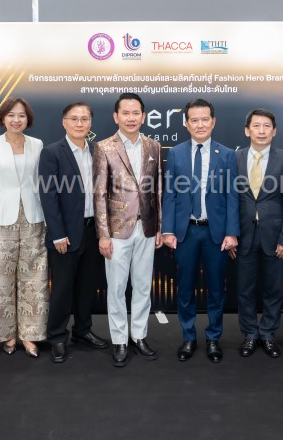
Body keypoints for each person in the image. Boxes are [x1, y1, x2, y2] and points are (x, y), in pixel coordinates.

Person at [162, 98, 239, 363]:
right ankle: (188, 337)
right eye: (194, 120)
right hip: (186, 232)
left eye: (205, 119)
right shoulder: (176, 153)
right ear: (186, 124)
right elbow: (169, 194)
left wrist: (232, 232)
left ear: (213, 122)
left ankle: (213, 338)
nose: (200, 124)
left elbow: (232, 196)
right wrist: (168, 230)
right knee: (185, 288)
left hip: (215, 234)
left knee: (216, 289)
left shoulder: (226, 154)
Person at [93, 93, 163, 367]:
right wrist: (103, 234)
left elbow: (158, 190)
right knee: (117, 288)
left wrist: (159, 227)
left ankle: (139, 336)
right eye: (126, 113)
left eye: (136, 113)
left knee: (143, 285)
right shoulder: (104, 147)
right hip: (117, 230)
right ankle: (120, 340)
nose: (131, 118)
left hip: (146, 228)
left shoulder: (154, 146)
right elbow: (99, 194)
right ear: (116, 117)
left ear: (143, 116)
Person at [39, 102, 108, 364]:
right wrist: (57, 234)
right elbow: (48, 196)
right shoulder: (51, 153)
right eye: (74, 118)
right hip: (65, 234)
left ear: (91, 123)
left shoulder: (97, 151)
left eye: (85, 119)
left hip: (93, 230)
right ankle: (57, 336)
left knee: (87, 286)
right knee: (62, 288)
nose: (80, 123)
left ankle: (83, 331)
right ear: (64, 122)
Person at [0, 97, 48, 358]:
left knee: (34, 279)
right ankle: (7, 334)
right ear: (3, 118)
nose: (16, 120)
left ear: (28, 119)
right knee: (0, 279)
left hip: (33, 218)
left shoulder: (37, 144)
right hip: (1, 219)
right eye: (11, 115)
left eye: (21, 115)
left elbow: (40, 183)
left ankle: (30, 335)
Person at [230, 108, 283, 359]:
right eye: (256, 126)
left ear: (274, 131)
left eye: (266, 126)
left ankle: (268, 334)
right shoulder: (234, 158)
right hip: (243, 235)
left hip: (275, 237)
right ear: (247, 130)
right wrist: (231, 234)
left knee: (273, 289)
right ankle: (250, 333)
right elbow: (228, 200)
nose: (261, 131)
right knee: (244, 289)